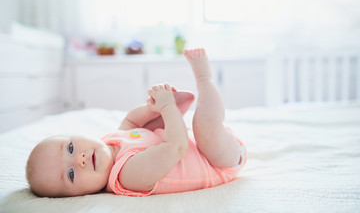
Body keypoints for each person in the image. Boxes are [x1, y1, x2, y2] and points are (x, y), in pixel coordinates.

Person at [26, 48, 247, 197]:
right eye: (71, 174)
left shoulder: (109, 143)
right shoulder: (126, 175)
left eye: (71, 148)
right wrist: (168, 108)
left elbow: (130, 122)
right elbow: (175, 148)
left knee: (151, 128)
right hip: (218, 162)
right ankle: (205, 78)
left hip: (199, 145)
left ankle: (168, 114)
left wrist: (151, 108)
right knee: (204, 126)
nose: (80, 159)